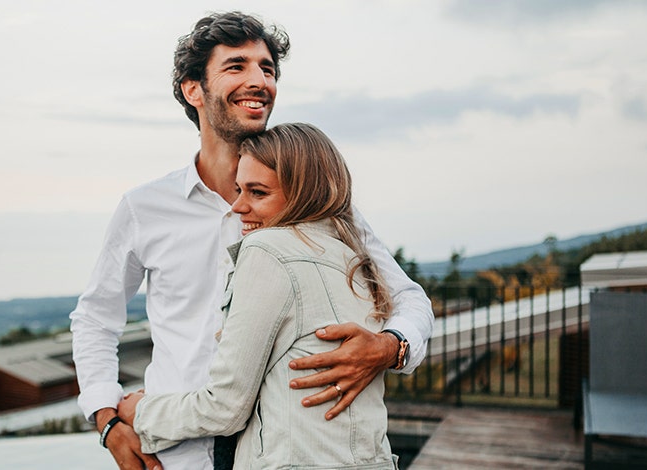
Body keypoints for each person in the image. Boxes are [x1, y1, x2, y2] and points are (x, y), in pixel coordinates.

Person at [69, 11, 433, 470]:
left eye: (267, 68)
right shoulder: (144, 208)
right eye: (237, 66)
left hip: (280, 450)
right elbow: (96, 319)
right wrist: (107, 421)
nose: (259, 80)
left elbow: (407, 297)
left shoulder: (314, 203)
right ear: (193, 89)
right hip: (174, 451)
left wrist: (390, 346)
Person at [118, 122, 400, 469]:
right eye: (239, 190)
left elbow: (226, 407)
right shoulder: (356, 259)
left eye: (257, 192)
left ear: (303, 193)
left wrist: (141, 413)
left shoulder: (267, 250)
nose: (238, 206)